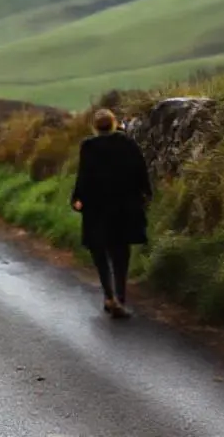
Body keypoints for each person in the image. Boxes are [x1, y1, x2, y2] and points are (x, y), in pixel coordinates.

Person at [71, 109, 152, 318]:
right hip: (123, 206)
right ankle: (120, 298)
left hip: (96, 207)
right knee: (120, 253)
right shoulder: (127, 144)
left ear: (95, 127)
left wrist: (77, 199)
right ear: (114, 123)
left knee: (99, 252)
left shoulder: (88, 146)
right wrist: (146, 193)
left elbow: (84, 176)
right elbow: (141, 170)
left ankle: (108, 296)